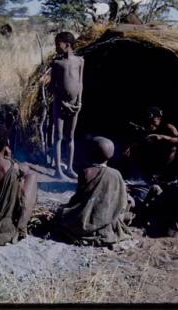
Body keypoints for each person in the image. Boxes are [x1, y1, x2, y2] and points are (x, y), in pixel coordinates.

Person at [56, 136, 133, 246]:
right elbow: (120, 201)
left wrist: (68, 208)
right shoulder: (116, 174)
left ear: (91, 153)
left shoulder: (86, 171)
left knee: (61, 214)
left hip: (84, 221)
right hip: (106, 219)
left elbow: (79, 198)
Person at [50, 31, 84, 180]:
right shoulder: (57, 63)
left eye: (58, 44)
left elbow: (80, 83)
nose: (56, 47)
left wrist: (79, 102)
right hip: (60, 104)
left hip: (75, 105)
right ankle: (58, 170)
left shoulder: (80, 61)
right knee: (58, 136)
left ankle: (69, 168)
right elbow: (52, 87)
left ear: (67, 45)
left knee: (70, 137)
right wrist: (63, 102)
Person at [124, 107, 178, 182]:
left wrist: (162, 137)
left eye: (158, 118)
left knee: (174, 149)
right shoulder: (145, 126)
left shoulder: (168, 127)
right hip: (149, 156)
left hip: (163, 156)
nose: (156, 120)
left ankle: (160, 174)